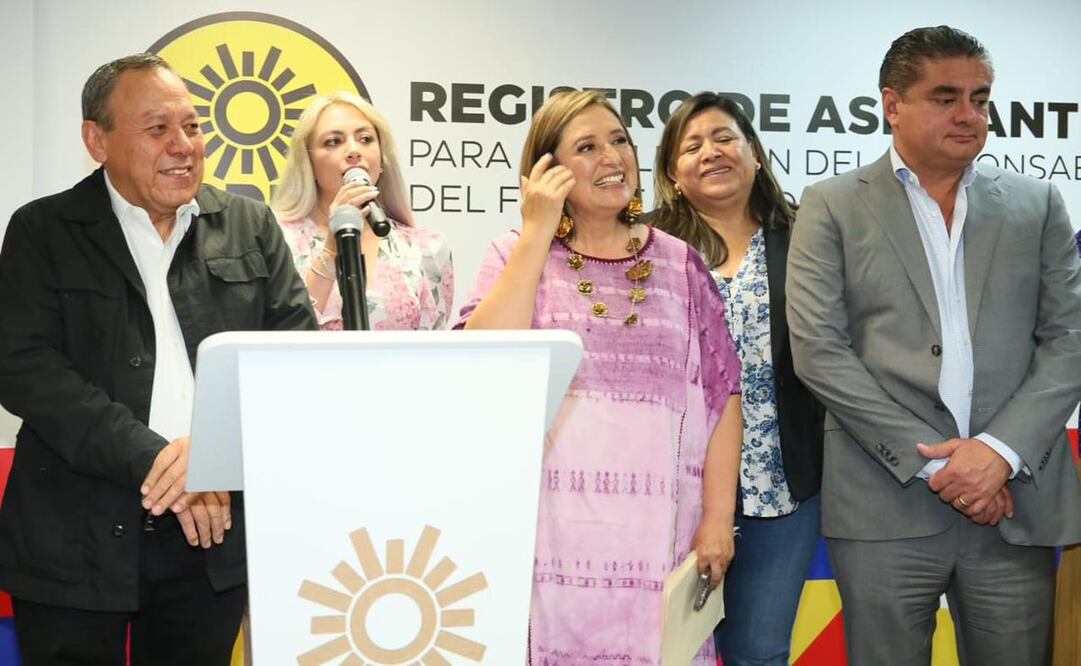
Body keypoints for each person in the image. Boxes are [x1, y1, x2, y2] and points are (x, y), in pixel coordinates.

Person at [0, 53, 316, 665]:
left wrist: (214, 453)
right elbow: (25, 368)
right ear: (98, 140)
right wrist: (159, 460)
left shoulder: (249, 224)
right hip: (75, 535)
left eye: (193, 127)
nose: (184, 146)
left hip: (211, 532)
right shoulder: (44, 230)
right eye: (157, 130)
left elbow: (295, 360)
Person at [786, 26, 1081, 665]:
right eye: (946, 96)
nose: (969, 114)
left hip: (1016, 502)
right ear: (892, 104)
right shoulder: (831, 205)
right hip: (884, 502)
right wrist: (944, 468)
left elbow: (1070, 340)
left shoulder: (1037, 204)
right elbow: (818, 350)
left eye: (980, 96)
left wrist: (997, 454)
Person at [455, 90, 743, 665]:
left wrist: (717, 519)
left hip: (662, 539)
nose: (613, 158)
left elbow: (723, 393)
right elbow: (480, 362)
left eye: (619, 141)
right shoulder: (515, 254)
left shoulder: (682, 263)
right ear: (546, 172)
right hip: (544, 543)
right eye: (587, 147)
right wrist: (537, 231)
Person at [645, 92, 823, 666]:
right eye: (692, 146)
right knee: (661, 651)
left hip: (782, 487)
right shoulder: (648, 249)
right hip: (673, 486)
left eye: (724, 137)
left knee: (758, 652)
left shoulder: (806, 239)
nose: (711, 152)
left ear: (755, 152)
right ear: (673, 173)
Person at [273, 92, 453, 330]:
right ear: (309, 162)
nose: (353, 151)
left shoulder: (425, 249)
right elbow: (278, 333)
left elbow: (433, 351)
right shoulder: (277, 239)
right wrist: (331, 249)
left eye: (366, 139)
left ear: (381, 159)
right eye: (333, 142)